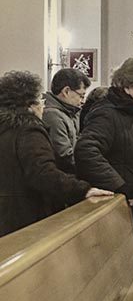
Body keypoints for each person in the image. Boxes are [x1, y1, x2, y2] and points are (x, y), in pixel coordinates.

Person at [75, 58, 133, 281]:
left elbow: (127, 155)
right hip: (123, 205)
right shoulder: (107, 113)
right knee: (122, 271)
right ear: (127, 86)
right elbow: (86, 151)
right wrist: (120, 186)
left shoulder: (129, 113)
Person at [0, 70, 112, 238]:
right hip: (23, 213)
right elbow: (42, 173)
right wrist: (82, 189)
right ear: (29, 105)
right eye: (39, 99)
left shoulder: (6, 127)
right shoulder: (29, 130)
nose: (43, 104)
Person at [43, 67, 91, 173]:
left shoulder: (69, 112)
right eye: (81, 96)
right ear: (66, 91)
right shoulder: (52, 115)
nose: (82, 101)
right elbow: (64, 156)